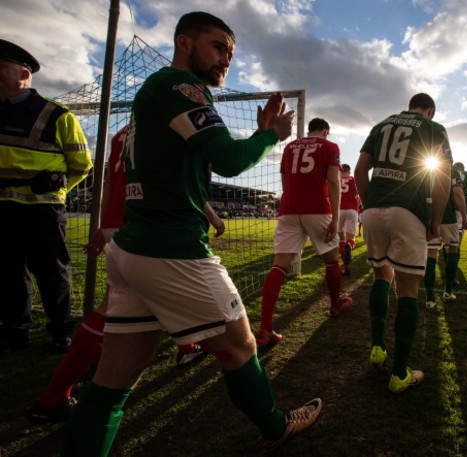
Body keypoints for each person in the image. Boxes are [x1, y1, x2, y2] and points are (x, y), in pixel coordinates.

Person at [62, 12, 321, 456]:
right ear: (185, 42)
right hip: (172, 249)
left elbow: (180, 173)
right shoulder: (181, 88)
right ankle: (277, 426)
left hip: (134, 246)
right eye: (218, 47)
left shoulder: (160, 94)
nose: (226, 60)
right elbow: (228, 158)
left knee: (112, 381)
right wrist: (268, 136)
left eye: (231, 53)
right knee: (241, 346)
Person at [28, 126, 216, 424]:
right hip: (146, 224)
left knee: (126, 302)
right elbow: (177, 180)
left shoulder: (121, 135)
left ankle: (188, 347)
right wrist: (210, 214)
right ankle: (55, 398)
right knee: (165, 300)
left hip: (120, 221)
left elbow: (110, 181)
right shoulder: (173, 124)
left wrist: (104, 225)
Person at [0, 39, 93, 354]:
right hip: (3, 209)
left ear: (24, 75)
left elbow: (82, 164)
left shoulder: (57, 115)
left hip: (42, 209)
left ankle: (60, 330)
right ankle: (15, 329)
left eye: (0, 68)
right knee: (9, 272)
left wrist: (57, 190)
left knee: (52, 272)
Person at [355, 93, 452, 393]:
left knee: (381, 276)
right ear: (430, 110)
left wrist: (369, 204)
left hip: (373, 209)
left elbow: (360, 170)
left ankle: (377, 347)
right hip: (409, 210)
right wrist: (435, 220)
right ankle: (399, 373)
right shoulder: (434, 128)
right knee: (408, 290)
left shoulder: (382, 124)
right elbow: (443, 178)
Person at [256, 118, 353, 347]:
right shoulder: (330, 147)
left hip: (289, 208)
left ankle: (265, 328)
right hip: (317, 208)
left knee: (279, 265)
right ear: (326, 132)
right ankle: (335, 305)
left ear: (309, 129)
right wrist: (335, 218)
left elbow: (284, 180)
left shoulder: (290, 146)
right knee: (331, 261)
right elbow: (332, 181)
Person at [424, 166, 467, 308]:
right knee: (452, 251)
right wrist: (464, 217)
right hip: (448, 217)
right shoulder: (451, 171)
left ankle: (430, 299)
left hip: (430, 218)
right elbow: (458, 193)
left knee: (431, 255)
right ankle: (448, 292)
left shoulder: (425, 168)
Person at [338, 163, 361, 277]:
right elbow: (360, 194)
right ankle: (349, 245)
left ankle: (345, 268)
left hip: (338, 211)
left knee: (340, 239)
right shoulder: (354, 180)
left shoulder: (336, 179)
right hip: (351, 210)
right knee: (350, 239)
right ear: (349, 171)